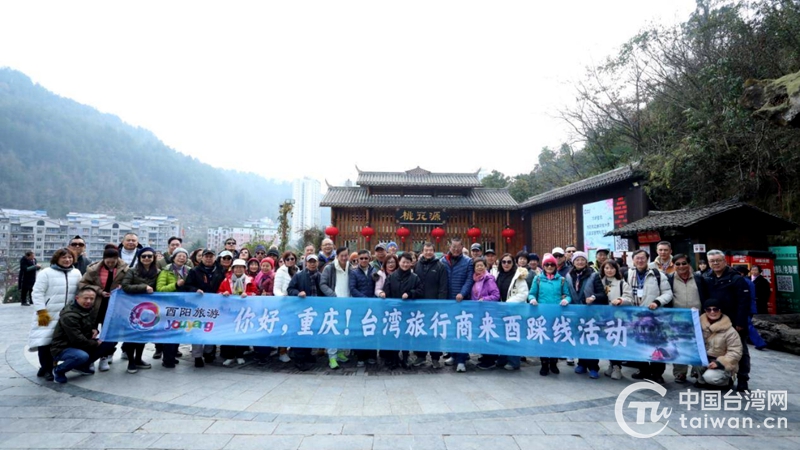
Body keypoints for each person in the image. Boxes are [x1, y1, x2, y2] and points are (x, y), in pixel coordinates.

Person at [27, 248, 82, 381]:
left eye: (70, 257)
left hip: (66, 315)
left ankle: (48, 366)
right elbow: (37, 292)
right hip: (47, 313)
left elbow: (79, 292)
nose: (67, 260)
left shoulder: (76, 272)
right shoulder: (46, 273)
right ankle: (47, 369)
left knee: (59, 342)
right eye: (64, 257)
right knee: (44, 342)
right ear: (57, 258)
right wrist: (41, 311)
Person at [701, 249, 751, 392]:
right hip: (714, 318)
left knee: (740, 349)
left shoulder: (736, 279)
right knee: (714, 347)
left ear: (724, 261)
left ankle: (743, 378)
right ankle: (723, 374)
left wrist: (740, 322)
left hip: (734, 320)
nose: (715, 263)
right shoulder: (707, 277)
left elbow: (744, 302)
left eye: (718, 260)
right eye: (712, 261)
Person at [50, 287, 119, 383]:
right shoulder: (69, 315)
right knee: (82, 356)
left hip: (81, 343)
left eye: (92, 299)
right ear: (77, 298)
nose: (89, 301)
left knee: (109, 342)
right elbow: (77, 339)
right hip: (63, 347)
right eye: (86, 298)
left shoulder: (88, 309)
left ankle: (81, 366)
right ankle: (59, 370)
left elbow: (89, 324)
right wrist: (95, 343)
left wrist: (94, 329)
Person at [626, 249, 673, 383]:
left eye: (643, 258)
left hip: (654, 317)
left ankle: (657, 373)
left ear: (647, 259)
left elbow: (668, 293)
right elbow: (625, 292)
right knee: (638, 344)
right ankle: (643, 370)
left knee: (656, 344)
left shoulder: (658, 274)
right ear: (633, 260)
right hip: (635, 317)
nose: (640, 260)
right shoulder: (628, 274)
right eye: (637, 258)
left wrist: (657, 302)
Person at [79, 247, 129, 370]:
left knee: (110, 333)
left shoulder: (125, 269)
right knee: (91, 332)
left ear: (117, 259)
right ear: (103, 259)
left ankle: (104, 357)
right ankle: (90, 358)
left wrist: (123, 287)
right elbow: (83, 284)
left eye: (113, 262)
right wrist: (99, 291)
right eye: (108, 262)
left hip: (115, 305)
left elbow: (130, 283)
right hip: (96, 304)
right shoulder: (93, 269)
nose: (110, 264)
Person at [567, 251, 608, 379]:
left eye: (582, 260)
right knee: (579, 338)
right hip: (575, 313)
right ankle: (582, 363)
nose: (580, 262)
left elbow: (602, 295)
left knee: (591, 340)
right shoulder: (568, 276)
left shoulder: (594, 275)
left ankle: (594, 367)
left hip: (591, 313)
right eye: (577, 260)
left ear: (586, 261)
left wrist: (593, 297)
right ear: (573, 262)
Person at [480, 255, 526, 371]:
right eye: (504, 262)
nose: (506, 264)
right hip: (499, 311)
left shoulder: (519, 276)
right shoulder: (497, 274)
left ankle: (514, 362)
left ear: (513, 263)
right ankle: (503, 358)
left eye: (509, 262)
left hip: (514, 311)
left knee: (512, 336)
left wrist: (508, 303)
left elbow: (523, 294)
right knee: (502, 335)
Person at [528, 253, 570, 376]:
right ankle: (544, 363)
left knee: (555, 339)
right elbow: (531, 293)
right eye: (547, 264)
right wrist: (532, 299)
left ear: (555, 266)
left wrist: (566, 300)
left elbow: (568, 295)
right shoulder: (538, 279)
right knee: (543, 339)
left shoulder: (562, 280)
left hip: (557, 315)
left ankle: (553, 363)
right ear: (543, 266)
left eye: (552, 264)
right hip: (542, 314)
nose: (550, 266)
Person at [378, 253, 423, 369]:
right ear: (399, 262)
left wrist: (410, 294)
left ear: (411, 263)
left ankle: (405, 357)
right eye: (403, 262)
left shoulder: (415, 277)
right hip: (394, 312)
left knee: (406, 335)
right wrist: (384, 295)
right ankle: (394, 358)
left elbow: (420, 291)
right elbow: (386, 292)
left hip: (408, 312)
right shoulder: (391, 277)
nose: (405, 264)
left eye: (408, 262)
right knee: (394, 335)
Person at [185, 249, 228, 367]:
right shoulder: (194, 271)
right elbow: (187, 285)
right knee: (197, 330)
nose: (208, 259)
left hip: (215, 306)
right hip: (198, 306)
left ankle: (208, 352)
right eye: (206, 256)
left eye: (211, 256)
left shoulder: (220, 270)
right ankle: (197, 356)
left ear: (215, 258)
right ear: (202, 258)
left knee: (211, 329)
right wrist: (195, 290)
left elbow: (225, 285)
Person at [120, 247, 159, 374]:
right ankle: (131, 361)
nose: (146, 258)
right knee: (132, 334)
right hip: (133, 307)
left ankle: (138, 359)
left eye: (149, 256)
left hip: (149, 308)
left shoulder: (158, 271)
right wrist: (143, 287)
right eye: (143, 256)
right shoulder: (132, 271)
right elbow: (125, 286)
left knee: (143, 334)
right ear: (139, 258)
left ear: (153, 258)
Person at [667, 253, 705, 383]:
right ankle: (680, 372)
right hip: (677, 320)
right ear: (673, 265)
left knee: (698, 345)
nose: (681, 266)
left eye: (684, 263)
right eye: (677, 264)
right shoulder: (670, 279)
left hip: (698, 319)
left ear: (689, 264)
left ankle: (697, 371)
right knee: (678, 346)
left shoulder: (699, 278)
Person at [412, 242, 449, 368]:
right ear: (422, 251)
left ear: (434, 251)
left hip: (434, 305)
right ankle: (421, 356)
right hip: (419, 305)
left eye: (430, 250)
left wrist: (440, 303)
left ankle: (435, 357)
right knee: (420, 331)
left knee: (435, 332)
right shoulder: (417, 265)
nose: (428, 252)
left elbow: (443, 286)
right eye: (426, 250)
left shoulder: (440, 266)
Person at [440, 238, 474, 372]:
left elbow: (469, 280)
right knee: (451, 330)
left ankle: (461, 360)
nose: (455, 249)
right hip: (447, 301)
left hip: (461, 301)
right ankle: (453, 355)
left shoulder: (468, 262)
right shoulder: (443, 261)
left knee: (462, 330)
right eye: (453, 247)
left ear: (462, 247)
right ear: (449, 247)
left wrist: (462, 293)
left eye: (458, 247)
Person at [695, 298, 743, 389]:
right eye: (709, 309)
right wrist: (691, 313)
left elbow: (736, 352)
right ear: (705, 311)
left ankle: (726, 380)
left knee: (710, 377)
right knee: (694, 359)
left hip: (721, 363)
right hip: (705, 360)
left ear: (720, 310)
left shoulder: (730, 331)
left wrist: (719, 363)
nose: (712, 312)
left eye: (715, 309)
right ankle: (702, 380)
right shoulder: (699, 326)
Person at [287, 254, 324, 371]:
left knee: (310, 333)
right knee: (301, 335)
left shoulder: (321, 276)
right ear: (306, 263)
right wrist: (298, 293)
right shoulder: (299, 276)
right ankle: (299, 360)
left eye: (314, 262)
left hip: (315, 311)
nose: (312, 264)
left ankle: (307, 355)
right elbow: (290, 289)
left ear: (317, 263)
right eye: (310, 262)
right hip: (302, 311)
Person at [155, 247, 190, 368]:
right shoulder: (165, 271)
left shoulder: (189, 271)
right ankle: (167, 359)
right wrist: (175, 285)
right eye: (179, 256)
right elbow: (160, 289)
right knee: (170, 332)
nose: (181, 258)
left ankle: (172, 355)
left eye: (184, 256)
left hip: (183, 306)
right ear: (173, 257)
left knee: (178, 331)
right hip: (169, 307)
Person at [218, 259, 257, 366]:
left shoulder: (250, 280)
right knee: (228, 333)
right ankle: (229, 356)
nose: (238, 269)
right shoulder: (226, 280)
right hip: (229, 311)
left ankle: (240, 355)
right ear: (233, 269)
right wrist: (224, 293)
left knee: (241, 333)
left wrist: (247, 294)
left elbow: (255, 293)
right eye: (236, 267)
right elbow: (219, 292)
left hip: (244, 311)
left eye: (241, 267)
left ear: (245, 269)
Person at [320, 247, 351, 369]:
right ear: (337, 256)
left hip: (347, 304)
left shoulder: (350, 267)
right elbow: (323, 284)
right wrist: (333, 295)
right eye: (341, 255)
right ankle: (332, 357)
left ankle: (340, 352)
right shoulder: (330, 268)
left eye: (346, 255)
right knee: (333, 330)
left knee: (344, 329)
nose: (344, 258)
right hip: (334, 305)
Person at [602, 260, 633, 379]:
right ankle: (612, 365)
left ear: (616, 269)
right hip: (603, 317)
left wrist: (620, 300)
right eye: (606, 268)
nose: (609, 271)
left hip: (617, 318)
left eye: (612, 268)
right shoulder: (599, 282)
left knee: (615, 342)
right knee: (607, 343)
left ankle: (617, 367)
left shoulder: (622, 283)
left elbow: (629, 298)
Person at [350, 249, 379, 366]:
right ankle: (361, 356)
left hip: (373, 306)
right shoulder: (354, 272)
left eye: (366, 258)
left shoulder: (375, 271)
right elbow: (352, 289)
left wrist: (373, 299)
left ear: (369, 259)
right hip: (360, 306)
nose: (363, 260)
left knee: (372, 330)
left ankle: (372, 355)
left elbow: (378, 286)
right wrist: (365, 299)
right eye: (361, 258)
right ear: (358, 259)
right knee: (360, 331)